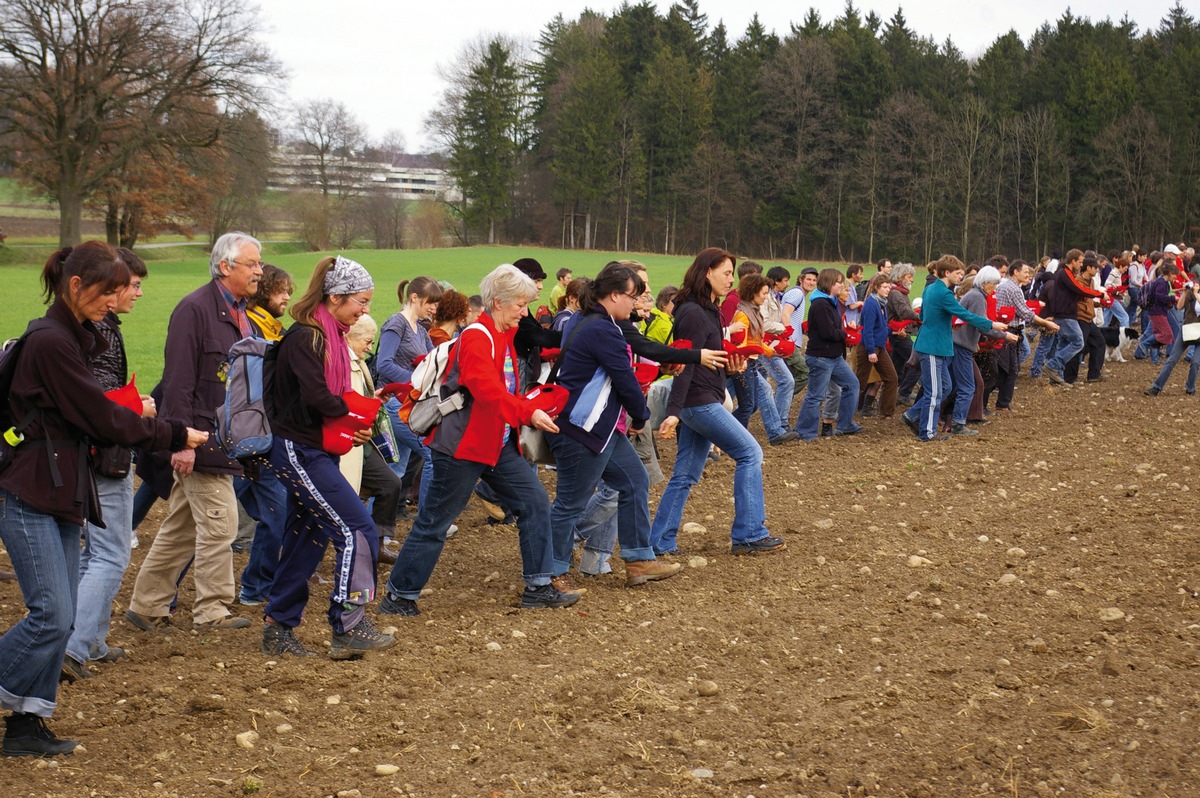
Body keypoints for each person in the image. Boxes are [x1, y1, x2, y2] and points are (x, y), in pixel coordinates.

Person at [1, 241, 205, 757]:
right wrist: (173, 433)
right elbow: (100, 416)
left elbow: (92, 414)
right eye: (107, 292)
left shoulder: (74, 339)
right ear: (75, 286)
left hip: (63, 490)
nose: (113, 302)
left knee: (65, 617)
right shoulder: (50, 342)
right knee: (51, 614)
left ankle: (27, 726)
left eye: (118, 292)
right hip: (26, 491)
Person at [379, 264, 578, 616]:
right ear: (498, 302)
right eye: (520, 304)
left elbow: (500, 392)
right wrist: (528, 413)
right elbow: (486, 391)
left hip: (496, 444)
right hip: (463, 447)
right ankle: (399, 595)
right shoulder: (477, 337)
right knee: (435, 521)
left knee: (534, 503)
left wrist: (527, 408)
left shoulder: (499, 335)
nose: (524, 312)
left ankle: (539, 585)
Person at [127, 231, 263, 633]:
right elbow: (178, 381)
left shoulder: (242, 314)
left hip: (223, 438)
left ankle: (146, 605)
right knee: (220, 525)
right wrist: (180, 441)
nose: (259, 270)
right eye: (252, 263)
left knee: (183, 527)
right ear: (226, 267)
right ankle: (212, 610)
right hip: (198, 439)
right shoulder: (194, 310)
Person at [260, 255, 395, 659]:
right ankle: (348, 624)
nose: (365, 310)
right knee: (357, 530)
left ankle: (277, 628)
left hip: (316, 448)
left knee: (307, 537)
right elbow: (319, 397)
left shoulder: (329, 334)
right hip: (298, 451)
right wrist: (357, 415)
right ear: (335, 297)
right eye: (361, 301)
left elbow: (323, 401)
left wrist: (355, 426)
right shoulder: (308, 337)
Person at [546, 262, 682, 589]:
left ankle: (638, 560)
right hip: (581, 428)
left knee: (635, 480)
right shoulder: (602, 330)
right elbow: (625, 379)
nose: (635, 304)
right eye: (632, 297)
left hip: (601, 429)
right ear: (615, 295)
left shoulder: (599, 323)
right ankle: (549, 573)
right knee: (569, 502)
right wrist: (641, 416)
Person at [649, 247, 785, 557]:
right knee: (750, 453)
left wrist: (729, 365)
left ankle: (661, 541)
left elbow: (705, 358)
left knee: (684, 474)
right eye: (725, 273)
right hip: (698, 402)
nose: (730, 279)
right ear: (706, 272)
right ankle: (749, 534)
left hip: (702, 398)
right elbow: (684, 363)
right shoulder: (694, 313)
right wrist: (674, 413)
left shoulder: (708, 309)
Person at [62, 248, 156, 682]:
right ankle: (74, 648)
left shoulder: (97, 325)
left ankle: (90, 640)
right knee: (111, 554)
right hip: (105, 455)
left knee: (92, 554)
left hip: (90, 453)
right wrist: (141, 408)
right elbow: (98, 400)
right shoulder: (97, 329)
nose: (136, 293)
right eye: (131, 285)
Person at [235, 263, 294, 606]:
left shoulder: (273, 328)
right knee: (209, 524)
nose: (287, 296)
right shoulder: (252, 327)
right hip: (248, 436)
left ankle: (256, 586)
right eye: (281, 290)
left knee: (275, 514)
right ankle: (156, 596)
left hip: (263, 435)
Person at [901, 256, 1009, 442]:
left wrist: (946, 324)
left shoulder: (930, 290)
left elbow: (926, 315)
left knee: (946, 386)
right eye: (958, 273)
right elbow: (965, 314)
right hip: (932, 346)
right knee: (934, 392)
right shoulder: (944, 293)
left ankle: (912, 415)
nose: (961, 277)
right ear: (947, 273)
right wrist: (992, 324)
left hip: (938, 345)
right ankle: (928, 433)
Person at [376, 276, 441, 510]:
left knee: (395, 469)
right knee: (433, 454)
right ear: (415, 298)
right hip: (393, 403)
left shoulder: (421, 331)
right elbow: (384, 364)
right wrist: (415, 381)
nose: (434, 308)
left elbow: (434, 361)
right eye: (430, 303)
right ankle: (428, 520)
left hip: (410, 404)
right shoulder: (396, 324)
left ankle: (375, 534)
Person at [343, 314, 404, 563]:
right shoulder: (341, 363)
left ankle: (375, 546)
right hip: (344, 445)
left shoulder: (357, 362)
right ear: (349, 336)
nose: (370, 347)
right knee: (331, 503)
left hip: (361, 444)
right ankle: (310, 566)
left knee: (391, 484)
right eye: (367, 341)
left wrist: (374, 400)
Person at [943, 266, 1014, 435]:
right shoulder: (977, 297)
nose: (994, 288)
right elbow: (982, 325)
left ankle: (925, 415)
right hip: (961, 346)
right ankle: (958, 423)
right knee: (968, 386)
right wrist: (1004, 335)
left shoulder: (974, 295)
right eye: (993, 284)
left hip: (958, 343)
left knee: (949, 385)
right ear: (984, 282)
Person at [794, 269, 861, 440]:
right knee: (816, 395)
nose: (841, 285)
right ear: (830, 284)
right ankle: (804, 431)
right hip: (821, 357)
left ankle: (845, 424)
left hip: (834, 356)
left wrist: (843, 332)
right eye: (839, 282)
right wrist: (846, 335)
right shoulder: (821, 304)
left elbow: (834, 329)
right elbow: (828, 332)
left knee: (852, 385)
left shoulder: (829, 302)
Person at [855, 273, 899, 420]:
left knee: (891, 378)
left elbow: (880, 329)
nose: (888, 290)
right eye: (885, 287)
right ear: (876, 288)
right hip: (869, 348)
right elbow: (867, 330)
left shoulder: (882, 304)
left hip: (880, 348)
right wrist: (871, 351)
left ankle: (887, 412)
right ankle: (844, 411)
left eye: (889, 287)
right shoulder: (871, 304)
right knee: (859, 383)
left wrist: (894, 331)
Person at [1146, 279, 1200, 397]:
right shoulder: (1192, 291)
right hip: (1187, 328)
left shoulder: (1196, 293)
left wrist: (1196, 294)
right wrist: (1185, 292)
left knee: (1195, 362)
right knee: (1172, 359)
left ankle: (1190, 388)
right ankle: (1156, 387)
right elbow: (1180, 306)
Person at [886, 263, 922, 405]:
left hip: (899, 333)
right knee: (917, 362)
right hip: (899, 334)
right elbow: (904, 311)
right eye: (909, 276)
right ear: (900, 277)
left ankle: (891, 393)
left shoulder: (901, 292)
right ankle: (904, 392)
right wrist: (921, 317)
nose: (912, 280)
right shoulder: (896, 293)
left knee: (896, 366)